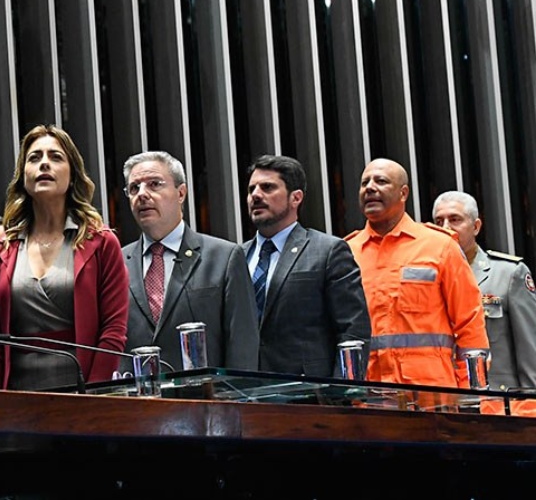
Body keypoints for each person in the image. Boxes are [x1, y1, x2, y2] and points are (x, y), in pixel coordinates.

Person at [0, 125, 129, 390]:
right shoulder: (1, 250)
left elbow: (113, 332)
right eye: (34, 158)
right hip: (16, 398)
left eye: (56, 157)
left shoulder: (101, 243)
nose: (44, 163)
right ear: (23, 175)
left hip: (83, 392)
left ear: (72, 175)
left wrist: (95, 395)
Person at [345, 158, 489, 388]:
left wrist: (472, 395)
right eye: (364, 183)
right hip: (368, 394)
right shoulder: (347, 252)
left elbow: (470, 326)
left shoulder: (440, 246)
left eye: (381, 181)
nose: (370, 188)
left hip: (431, 393)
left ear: (403, 193)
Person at [121, 151, 258, 373]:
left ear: (181, 193)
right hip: (137, 392)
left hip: (205, 393)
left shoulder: (224, 257)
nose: (142, 194)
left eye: (154, 184)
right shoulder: (116, 263)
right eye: (134, 188)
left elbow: (243, 345)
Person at [244, 155, 371, 377]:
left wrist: (343, 391)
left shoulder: (328, 251)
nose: (256, 195)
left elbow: (353, 330)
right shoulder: (236, 256)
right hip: (244, 389)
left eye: (267, 187)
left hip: (309, 391)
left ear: (296, 198)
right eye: (251, 189)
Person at [433, 191, 536, 391]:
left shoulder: (508, 274)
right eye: (439, 222)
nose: (445, 228)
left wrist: (530, 404)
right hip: (447, 396)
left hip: (497, 399)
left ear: (476, 226)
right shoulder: (428, 279)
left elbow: (530, 351)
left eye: (455, 220)